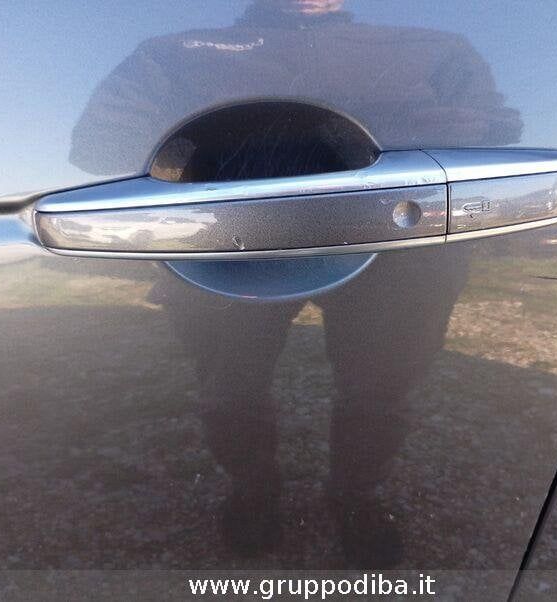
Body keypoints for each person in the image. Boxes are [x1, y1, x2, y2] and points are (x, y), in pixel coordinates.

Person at [70, 0, 521, 568]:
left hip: (399, 245)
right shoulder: (175, 51)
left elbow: (500, 129)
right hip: (232, 246)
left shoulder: (436, 47)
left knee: (380, 391)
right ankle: (253, 489)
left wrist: (422, 131)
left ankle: (355, 496)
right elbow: (96, 143)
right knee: (229, 389)